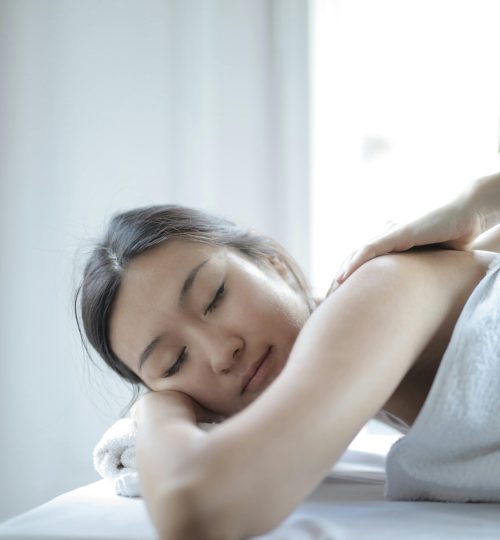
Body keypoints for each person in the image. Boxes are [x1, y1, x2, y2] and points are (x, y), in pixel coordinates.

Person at [75, 171, 500, 539]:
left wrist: (155, 407)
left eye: (216, 296)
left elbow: (198, 507)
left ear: (273, 263)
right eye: (173, 362)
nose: (223, 352)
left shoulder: (377, 290)